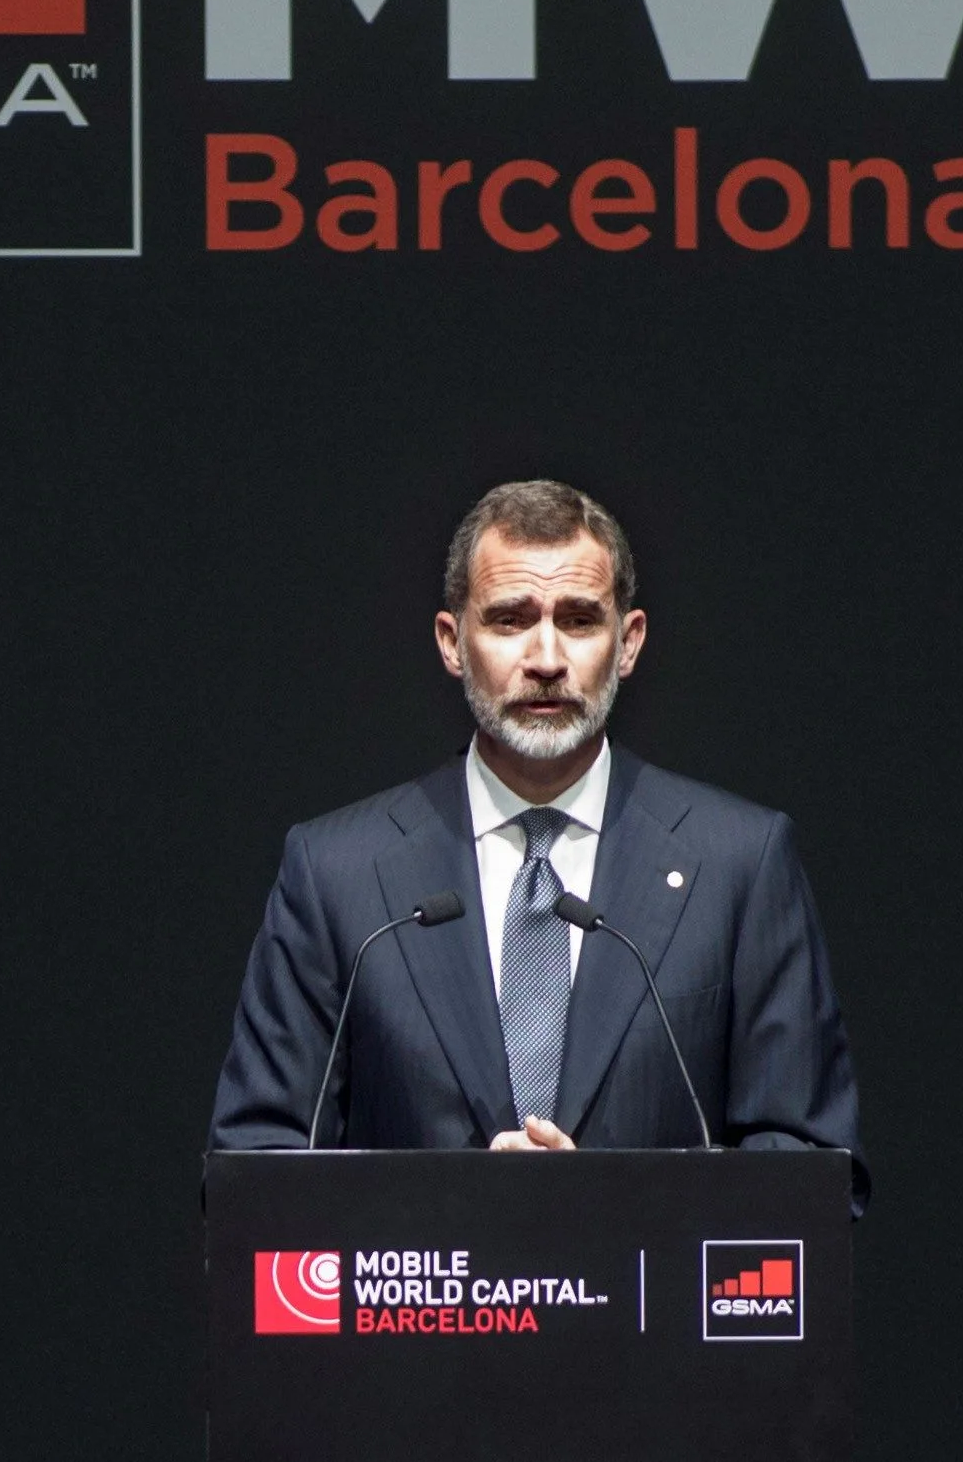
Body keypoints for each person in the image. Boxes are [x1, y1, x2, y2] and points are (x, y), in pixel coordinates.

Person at [208, 480, 858, 1154]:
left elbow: (807, 1170)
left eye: (578, 620)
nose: (546, 660)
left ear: (628, 642)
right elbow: (257, 1170)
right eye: (510, 620)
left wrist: (604, 1214)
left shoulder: (738, 866)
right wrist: (471, 1220)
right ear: (452, 640)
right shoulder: (338, 876)